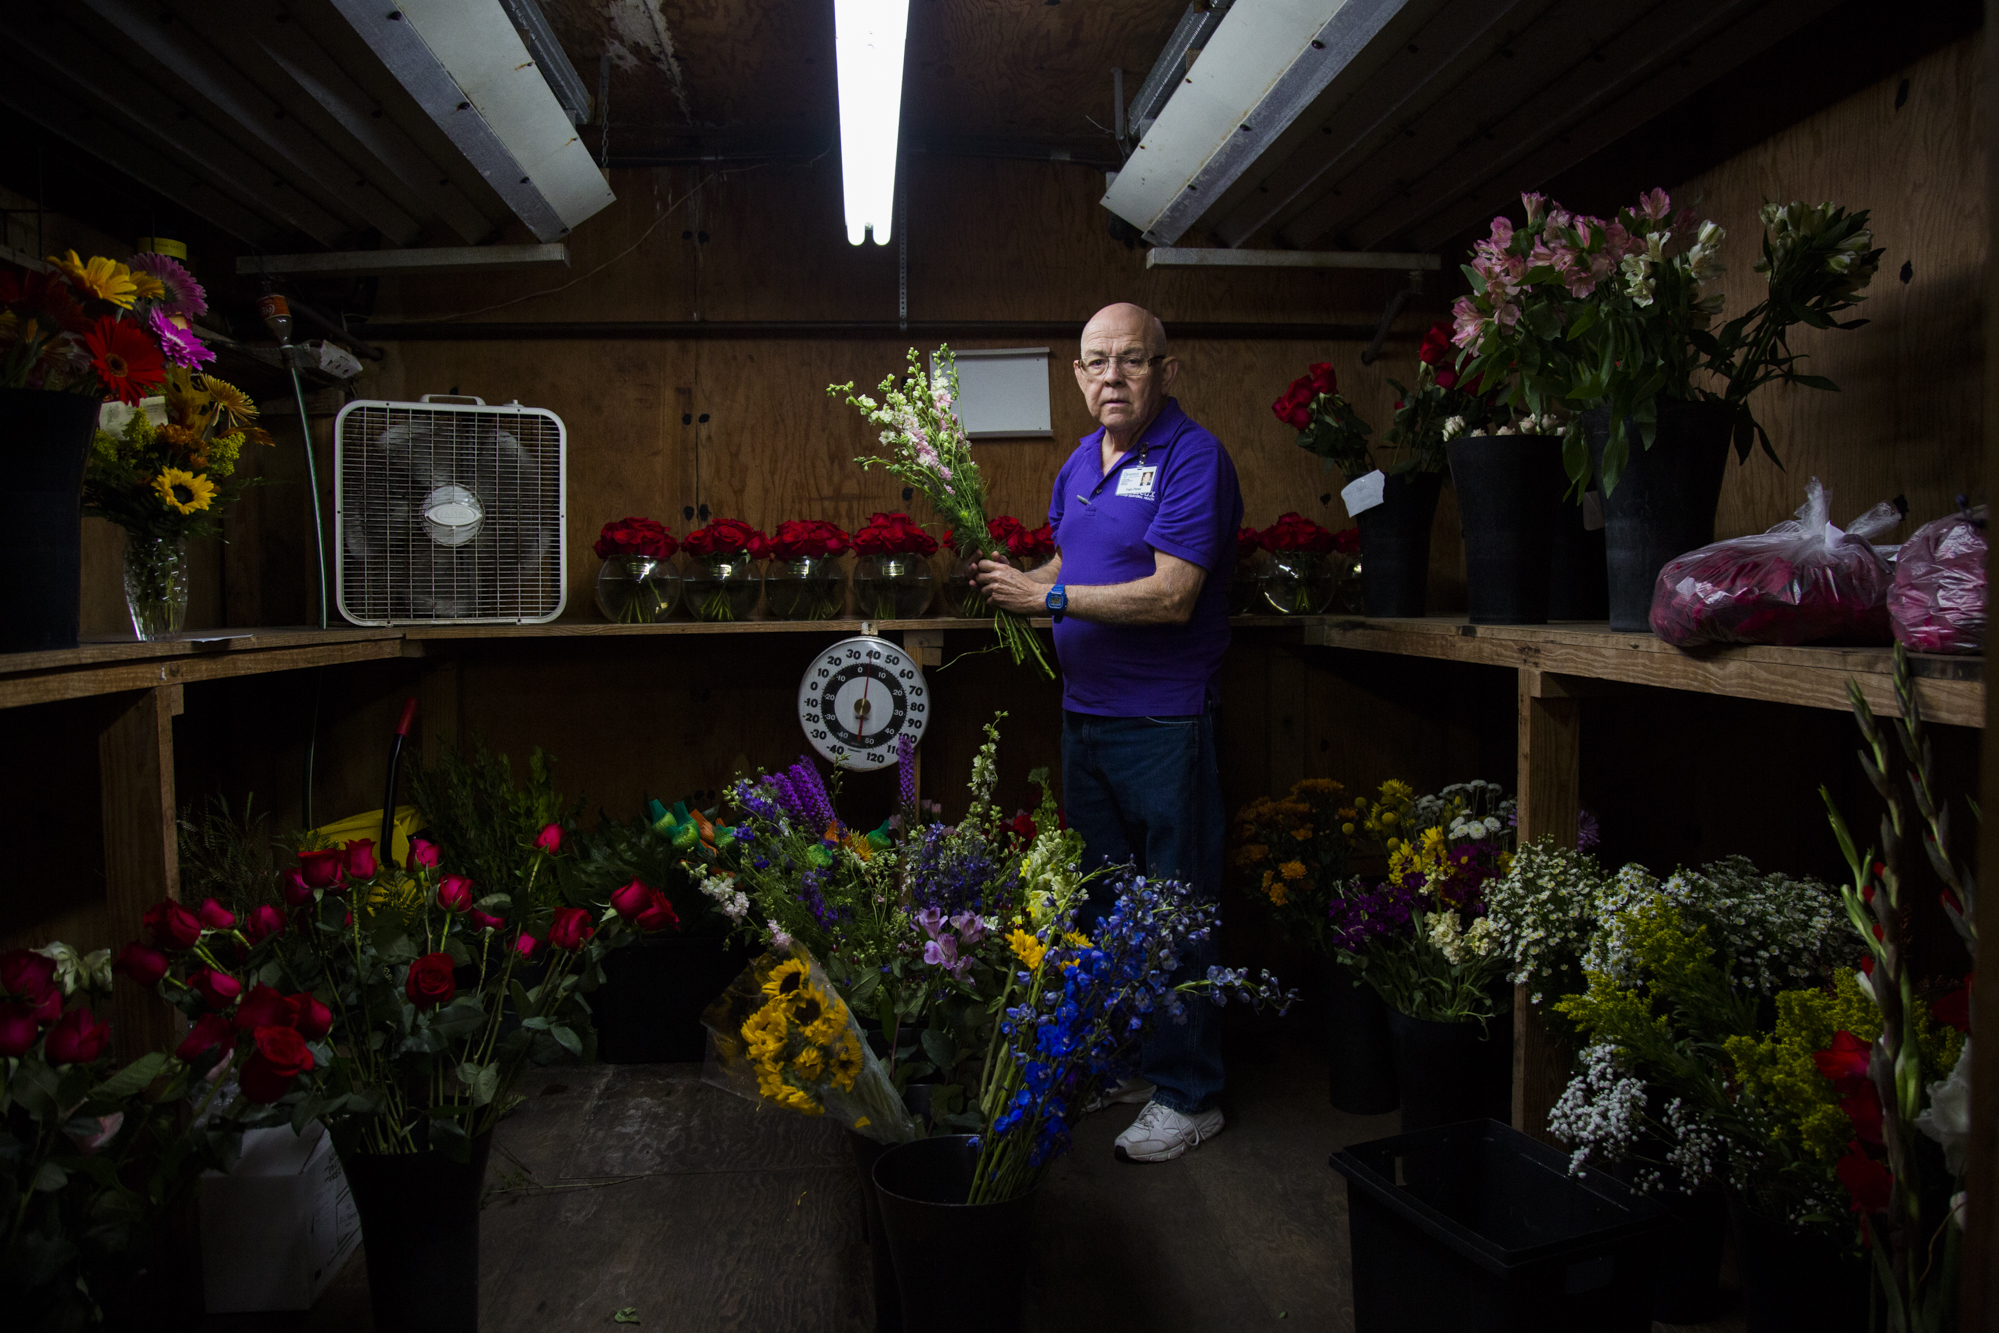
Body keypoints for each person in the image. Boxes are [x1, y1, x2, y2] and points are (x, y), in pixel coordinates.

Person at [974, 302, 1242, 1163]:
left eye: (1131, 360)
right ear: (1078, 375)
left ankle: (1191, 1093)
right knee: (1106, 902)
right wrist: (1026, 578)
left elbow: (1172, 594)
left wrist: (1046, 601)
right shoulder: (1080, 463)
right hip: (1085, 717)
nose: (1111, 377)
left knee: (1172, 905)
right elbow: (1075, 563)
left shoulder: (1192, 458)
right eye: (1096, 362)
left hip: (1162, 720)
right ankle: (1134, 1062)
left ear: (1166, 368)